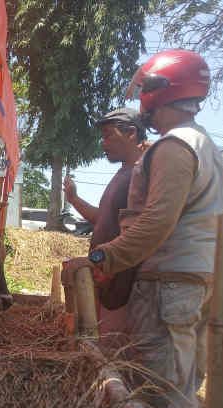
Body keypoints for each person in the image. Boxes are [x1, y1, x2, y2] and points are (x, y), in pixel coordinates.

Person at [78, 50, 223, 408]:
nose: (140, 98)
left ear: (158, 91)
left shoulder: (175, 147)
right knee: (181, 384)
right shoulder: (202, 144)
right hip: (193, 278)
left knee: (162, 390)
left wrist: (103, 257)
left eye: (144, 89)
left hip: (168, 283)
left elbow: (156, 221)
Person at [64, 108, 147, 342]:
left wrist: (109, 266)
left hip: (121, 284)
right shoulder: (124, 174)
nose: (103, 143)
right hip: (107, 278)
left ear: (131, 133)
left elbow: (139, 231)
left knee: (113, 349)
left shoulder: (142, 175)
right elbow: (103, 220)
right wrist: (74, 199)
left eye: (109, 135)